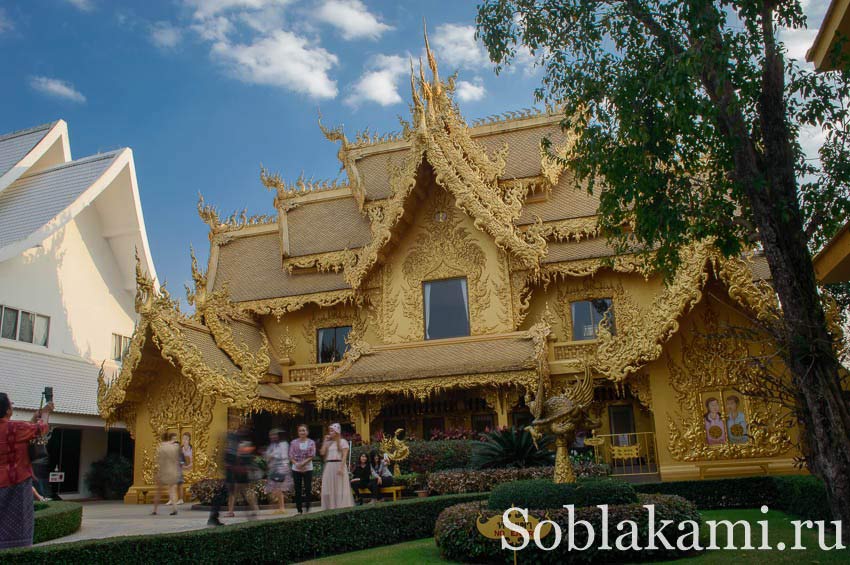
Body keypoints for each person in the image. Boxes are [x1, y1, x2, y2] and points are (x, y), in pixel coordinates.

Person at [0, 393, 52, 549]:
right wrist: (45, 413)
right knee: (20, 528)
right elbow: (42, 428)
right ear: (8, 410)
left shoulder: (15, 428)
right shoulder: (16, 427)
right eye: (11, 404)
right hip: (17, 483)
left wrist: (33, 418)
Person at [320, 423, 353, 510]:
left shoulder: (343, 442)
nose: (330, 433)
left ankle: (341, 506)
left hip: (338, 465)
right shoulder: (329, 443)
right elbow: (322, 453)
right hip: (329, 465)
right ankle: (330, 506)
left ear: (337, 432)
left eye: (332, 431)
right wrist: (325, 442)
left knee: (339, 487)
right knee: (329, 487)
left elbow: (344, 456)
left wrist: (341, 468)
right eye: (330, 431)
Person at [264, 429, 292, 514]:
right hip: (273, 469)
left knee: (278, 488)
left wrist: (271, 456)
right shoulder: (272, 445)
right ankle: (280, 507)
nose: (273, 437)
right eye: (271, 435)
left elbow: (281, 456)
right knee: (275, 489)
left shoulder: (283, 444)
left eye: (275, 435)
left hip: (281, 468)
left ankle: (282, 508)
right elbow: (267, 456)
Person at [289, 424, 316, 514]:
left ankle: (307, 507)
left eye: (304, 430)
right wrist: (297, 464)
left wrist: (303, 463)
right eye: (300, 430)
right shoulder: (293, 443)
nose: (302, 432)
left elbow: (312, 455)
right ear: (298, 432)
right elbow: (291, 455)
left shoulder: (311, 442)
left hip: (308, 468)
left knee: (308, 488)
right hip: (296, 469)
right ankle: (299, 509)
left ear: (307, 432)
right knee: (298, 489)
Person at [152, 433, 180, 516]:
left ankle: (155, 510)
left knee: (158, 491)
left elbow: (159, 460)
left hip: (163, 470)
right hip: (173, 470)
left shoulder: (161, 447)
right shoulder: (175, 447)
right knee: (172, 490)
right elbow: (177, 459)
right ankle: (175, 508)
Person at [175, 432, 193, 505]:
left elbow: (194, 461)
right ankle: (176, 498)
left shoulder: (192, 449)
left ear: (189, 440)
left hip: (190, 468)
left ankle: (181, 498)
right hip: (181, 468)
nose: (184, 440)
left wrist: (188, 466)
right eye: (183, 438)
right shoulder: (181, 449)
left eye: (186, 439)